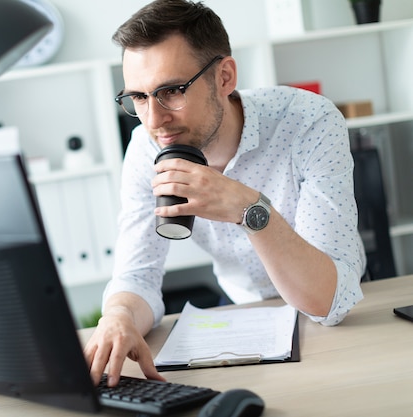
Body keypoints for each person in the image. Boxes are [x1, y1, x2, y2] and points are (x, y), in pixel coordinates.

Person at [84, 0, 366, 387]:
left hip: (332, 317)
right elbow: (138, 274)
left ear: (225, 77)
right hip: (242, 315)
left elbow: (329, 304)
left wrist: (248, 207)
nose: (153, 120)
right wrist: (118, 315)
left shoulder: (309, 120)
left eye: (171, 91)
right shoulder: (145, 150)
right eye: (139, 97)